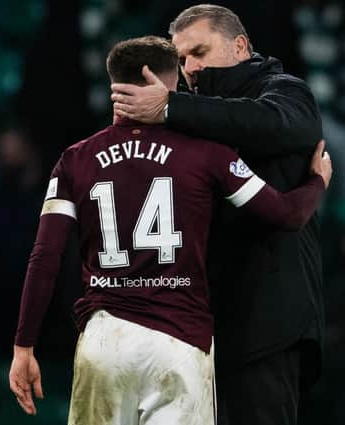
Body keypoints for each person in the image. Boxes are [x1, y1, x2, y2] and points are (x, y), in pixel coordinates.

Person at [9, 36, 332, 425]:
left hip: (105, 340)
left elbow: (45, 257)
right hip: (179, 343)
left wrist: (23, 346)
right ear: (164, 80)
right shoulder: (207, 153)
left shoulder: (75, 160)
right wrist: (317, 182)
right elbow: (285, 214)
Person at [110, 5, 323, 425]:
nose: (191, 67)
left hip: (267, 324)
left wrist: (170, 109)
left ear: (240, 45)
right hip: (203, 327)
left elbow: (278, 125)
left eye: (200, 52)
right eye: (183, 58)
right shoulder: (192, 113)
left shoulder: (283, 89)